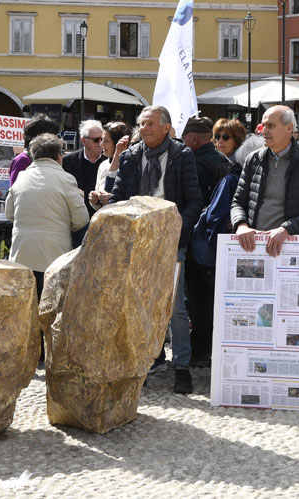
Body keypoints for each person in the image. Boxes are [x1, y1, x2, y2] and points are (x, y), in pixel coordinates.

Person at [111, 105, 203, 394]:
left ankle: (182, 367)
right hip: (137, 241)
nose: (145, 128)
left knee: (174, 307)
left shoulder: (181, 155)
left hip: (171, 239)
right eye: (141, 124)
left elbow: (195, 201)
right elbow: (120, 197)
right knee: (139, 304)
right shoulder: (129, 156)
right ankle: (144, 362)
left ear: (166, 127)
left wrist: (175, 228)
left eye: (151, 123)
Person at [231, 105, 299, 257]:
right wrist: (241, 225)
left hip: (292, 250)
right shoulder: (253, 160)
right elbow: (238, 202)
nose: (264, 131)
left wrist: (287, 229)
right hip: (255, 248)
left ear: (289, 128)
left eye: (270, 126)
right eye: (263, 126)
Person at [6, 133, 89, 299]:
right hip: (54, 256)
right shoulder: (66, 179)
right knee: (50, 308)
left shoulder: (21, 178)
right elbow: (82, 219)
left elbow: (9, 214)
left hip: (21, 255)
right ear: (59, 156)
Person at [181, 116, 232, 366]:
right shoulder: (224, 160)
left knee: (198, 296)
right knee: (212, 296)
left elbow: (195, 201)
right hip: (221, 238)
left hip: (199, 240)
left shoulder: (195, 162)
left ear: (192, 139)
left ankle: (200, 349)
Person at [62, 119, 107, 217]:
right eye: (96, 140)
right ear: (83, 140)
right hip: (76, 217)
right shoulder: (67, 161)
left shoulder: (109, 161)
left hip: (102, 216)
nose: (100, 142)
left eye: (102, 139)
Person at [182, 117, 232, 201]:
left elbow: (194, 200)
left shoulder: (195, 164)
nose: (182, 143)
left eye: (183, 139)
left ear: (194, 140)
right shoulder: (224, 158)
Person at [89, 121, 131, 210]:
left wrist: (113, 199)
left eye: (106, 141)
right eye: (101, 139)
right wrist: (95, 201)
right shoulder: (103, 165)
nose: (101, 144)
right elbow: (99, 204)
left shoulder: (131, 165)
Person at [9, 114, 60, 187]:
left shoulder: (53, 158)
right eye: (52, 135)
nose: (56, 139)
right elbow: (15, 191)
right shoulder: (22, 160)